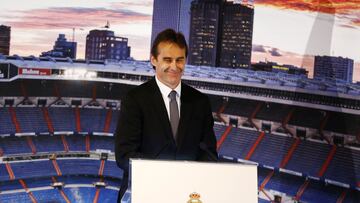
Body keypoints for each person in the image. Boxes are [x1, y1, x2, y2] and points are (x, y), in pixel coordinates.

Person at [115, 28, 218, 202]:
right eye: (167, 60)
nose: (174, 66)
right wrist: (166, 174)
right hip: (144, 190)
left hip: (186, 193)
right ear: (154, 60)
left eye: (180, 60)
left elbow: (209, 152)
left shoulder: (200, 101)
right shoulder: (135, 99)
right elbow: (125, 155)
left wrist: (189, 177)